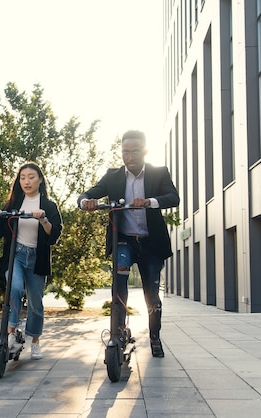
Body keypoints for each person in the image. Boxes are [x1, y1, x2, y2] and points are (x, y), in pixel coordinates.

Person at [78, 130, 179, 358]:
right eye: (125, 151)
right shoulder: (112, 176)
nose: (129, 156)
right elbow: (89, 193)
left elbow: (173, 197)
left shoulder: (158, 173)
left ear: (144, 150)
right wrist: (85, 201)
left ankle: (154, 337)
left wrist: (149, 202)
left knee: (151, 294)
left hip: (151, 243)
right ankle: (118, 333)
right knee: (118, 286)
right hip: (123, 241)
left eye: (134, 151)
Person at [0, 162, 63, 360]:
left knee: (35, 304)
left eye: (31, 177)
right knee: (15, 288)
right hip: (16, 255)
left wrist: (43, 220)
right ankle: (11, 332)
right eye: (22, 177)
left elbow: (54, 235)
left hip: (37, 259)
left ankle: (35, 341)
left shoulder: (48, 205)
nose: (26, 181)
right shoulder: (13, 203)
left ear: (40, 179)